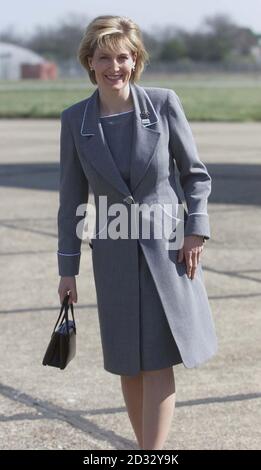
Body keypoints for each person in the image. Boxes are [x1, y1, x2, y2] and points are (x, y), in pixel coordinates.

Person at [57, 15, 218, 450]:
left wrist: (195, 231)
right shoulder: (75, 120)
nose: (114, 66)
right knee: (128, 364)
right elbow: (72, 200)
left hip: (168, 253)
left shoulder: (164, 104)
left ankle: (151, 454)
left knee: (158, 361)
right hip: (112, 256)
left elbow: (195, 176)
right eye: (104, 57)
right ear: (89, 62)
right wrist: (67, 270)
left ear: (136, 60)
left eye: (123, 56)